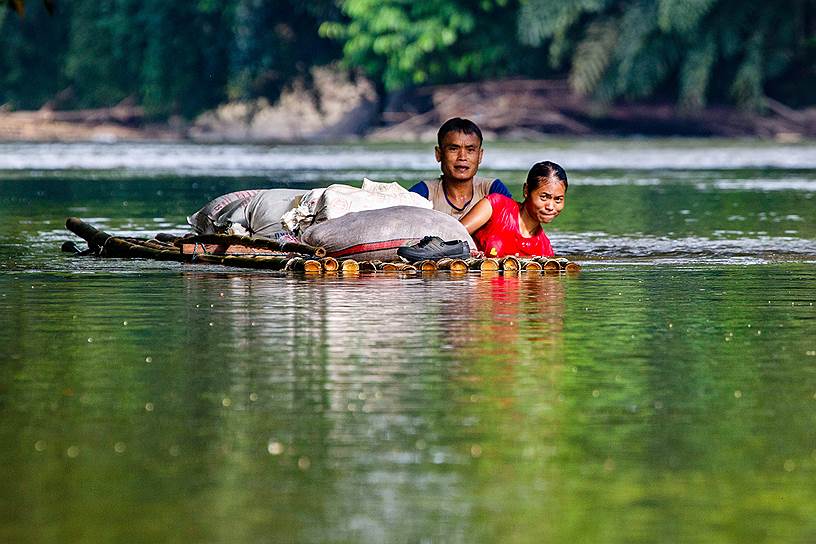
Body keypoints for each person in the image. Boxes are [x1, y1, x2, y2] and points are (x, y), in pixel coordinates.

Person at [460, 161, 567, 258]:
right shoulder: (496, 206)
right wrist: (469, 252)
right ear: (526, 190)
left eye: (558, 199)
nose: (550, 207)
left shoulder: (545, 250)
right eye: (544, 197)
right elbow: (452, 235)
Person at [408, 117, 511, 219]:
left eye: (470, 150)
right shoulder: (423, 193)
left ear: (480, 156)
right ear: (439, 154)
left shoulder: (493, 189)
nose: (462, 157)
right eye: (453, 149)